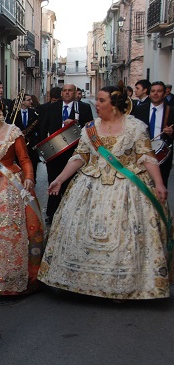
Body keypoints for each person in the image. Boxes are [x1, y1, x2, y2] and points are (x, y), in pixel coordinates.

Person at [38, 85, 171, 300]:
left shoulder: (135, 128)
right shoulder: (90, 128)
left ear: (115, 104)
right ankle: (81, 281)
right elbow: (80, 156)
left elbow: (147, 157)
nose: (96, 105)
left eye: (101, 101)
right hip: (90, 186)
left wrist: (159, 183)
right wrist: (60, 179)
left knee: (125, 235)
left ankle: (125, 284)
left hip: (127, 189)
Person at [0, 92, 44, 295]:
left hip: (9, 188)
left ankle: (7, 279)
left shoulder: (13, 133)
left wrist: (29, 177)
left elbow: (24, 159)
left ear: (0, 110)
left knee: (6, 231)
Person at [38, 83, 93, 224]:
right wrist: (44, 151)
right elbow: (43, 129)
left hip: (75, 154)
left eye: (70, 91)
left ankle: (72, 213)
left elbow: (90, 129)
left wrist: (77, 123)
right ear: (61, 93)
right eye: (65, 91)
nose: (67, 93)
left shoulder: (84, 108)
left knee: (72, 184)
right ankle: (52, 214)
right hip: (55, 154)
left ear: (75, 93)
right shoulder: (51, 108)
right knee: (54, 182)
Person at [132, 81, 174, 186]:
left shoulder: (171, 111)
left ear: (165, 94)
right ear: (149, 93)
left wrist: (172, 133)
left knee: (161, 185)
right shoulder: (139, 110)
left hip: (162, 155)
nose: (155, 94)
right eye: (153, 91)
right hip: (143, 153)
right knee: (143, 185)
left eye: (159, 91)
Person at [13, 93, 42, 179]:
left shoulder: (35, 113)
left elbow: (39, 129)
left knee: (33, 163)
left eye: (31, 100)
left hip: (31, 144)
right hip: (18, 143)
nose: (31, 101)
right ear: (22, 102)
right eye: (28, 100)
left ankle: (32, 180)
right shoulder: (15, 114)